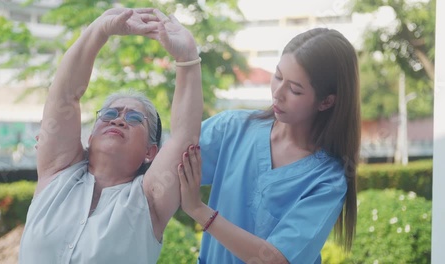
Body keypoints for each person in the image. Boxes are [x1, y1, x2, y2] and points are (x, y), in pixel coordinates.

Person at [19, 7, 203, 264]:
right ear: (90, 136)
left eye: (134, 118)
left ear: (151, 152)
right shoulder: (57, 171)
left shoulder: (149, 199)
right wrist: (100, 29)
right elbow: (65, 95)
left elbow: (184, 135)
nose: (119, 119)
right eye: (109, 114)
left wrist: (187, 58)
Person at [177, 28, 360, 264]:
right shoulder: (232, 128)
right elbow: (169, 160)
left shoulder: (328, 180)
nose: (278, 93)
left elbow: (274, 260)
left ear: (326, 101)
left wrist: (198, 210)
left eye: (295, 89)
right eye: (278, 76)